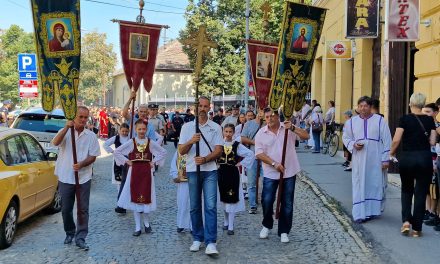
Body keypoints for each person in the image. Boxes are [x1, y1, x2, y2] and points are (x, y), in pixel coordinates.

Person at [255, 108, 309, 243]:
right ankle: (267, 224)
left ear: (278, 116)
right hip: (270, 172)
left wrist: (293, 128)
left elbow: (306, 136)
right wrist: (274, 164)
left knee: (287, 202)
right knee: (267, 200)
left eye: (272, 116)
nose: (269, 119)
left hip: (289, 170)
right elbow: (259, 154)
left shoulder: (288, 129)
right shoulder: (261, 133)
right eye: (267, 117)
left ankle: (284, 230)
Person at [51, 106, 101, 250]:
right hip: (65, 176)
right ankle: (69, 232)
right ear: (74, 117)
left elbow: (93, 156)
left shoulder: (90, 136)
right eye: (81, 117)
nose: (84, 120)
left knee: (83, 209)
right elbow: (55, 143)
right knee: (66, 208)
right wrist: (66, 128)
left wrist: (82, 164)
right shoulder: (66, 132)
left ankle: (81, 237)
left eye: (86, 117)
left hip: (83, 177)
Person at [178, 96, 223, 256]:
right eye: (200, 106)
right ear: (195, 108)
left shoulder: (216, 127)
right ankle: (197, 237)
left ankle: (211, 241)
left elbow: (219, 150)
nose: (203, 109)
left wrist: (205, 159)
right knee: (195, 205)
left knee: (210, 206)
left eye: (205, 106)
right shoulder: (187, 127)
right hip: (192, 170)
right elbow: (181, 151)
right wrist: (191, 141)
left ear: (209, 108)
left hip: (210, 169)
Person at [389, 93, 437, 237]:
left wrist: (391, 153)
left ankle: (405, 222)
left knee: (406, 191)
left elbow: (396, 139)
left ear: (410, 103)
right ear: (423, 105)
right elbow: (433, 142)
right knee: (421, 193)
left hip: (408, 158)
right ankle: (417, 229)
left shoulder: (404, 119)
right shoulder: (429, 120)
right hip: (424, 158)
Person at [342, 96, 392, 223]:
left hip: (375, 158)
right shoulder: (351, 122)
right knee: (359, 183)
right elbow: (346, 137)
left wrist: (385, 159)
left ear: (370, 107)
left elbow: (387, 140)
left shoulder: (379, 120)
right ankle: (359, 213)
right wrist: (353, 144)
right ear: (357, 108)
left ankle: (372, 211)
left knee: (374, 183)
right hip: (359, 159)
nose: (363, 108)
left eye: (365, 106)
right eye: (360, 106)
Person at [114, 119, 167, 236]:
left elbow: (162, 152)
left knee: (146, 197)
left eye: (143, 129)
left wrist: (154, 162)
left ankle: (147, 224)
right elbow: (117, 151)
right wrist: (127, 161)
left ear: (146, 130)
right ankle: (138, 226)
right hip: (134, 173)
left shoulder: (150, 142)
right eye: (139, 129)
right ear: (135, 130)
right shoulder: (132, 142)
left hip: (146, 174)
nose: (141, 131)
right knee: (135, 198)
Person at [218, 124, 254, 235]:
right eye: (226, 131)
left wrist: (240, 163)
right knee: (223, 198)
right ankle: (226, 221)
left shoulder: (236, 145)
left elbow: (250, 154)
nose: (228, 134)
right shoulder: (219, 144)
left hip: (232, 174)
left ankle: (231, 225)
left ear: (233, 133)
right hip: (221, 173)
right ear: (223, 132)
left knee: (231, 198)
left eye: (230, 132)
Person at [241, 108, 265, 214]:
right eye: (261, 111)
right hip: (253, 156)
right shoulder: (249, 124)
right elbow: (243, 138)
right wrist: (255, 142)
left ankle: (265, 203)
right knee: (251, 183)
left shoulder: (268, 124)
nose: (262, 114)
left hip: (266, 158)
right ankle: (252, 205)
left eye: (264, 112)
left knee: (267, 182)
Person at [103, 123, 130, 214]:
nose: (124, 132)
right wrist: (113, 152)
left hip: (128, 161)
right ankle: (120, 204)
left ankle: (124, 203)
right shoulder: (116, 138)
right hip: (118, 162)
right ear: (119, 130)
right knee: (119, 183)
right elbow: (105, 144)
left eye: (126, 131)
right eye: (123, 131)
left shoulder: (130, 139)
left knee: (127, 183)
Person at [421, 103, 440, 227]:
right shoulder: (423, 125)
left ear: (435, 112)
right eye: (424, 111)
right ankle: (428, 211)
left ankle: (433, 212)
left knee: (434, 189)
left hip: (434, 158)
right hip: (424, 157)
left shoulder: (437, 126)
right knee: (427, 187)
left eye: (428, 112)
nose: (425, 114)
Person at [170, 151, 191, 233]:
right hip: (183, 181)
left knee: (195, 202)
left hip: (196, 179)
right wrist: (175, 176)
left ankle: (193, 225)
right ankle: (181, 224)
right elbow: (175, 163)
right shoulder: (180, 150)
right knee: (182, 202)